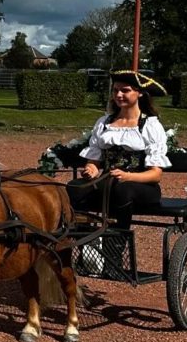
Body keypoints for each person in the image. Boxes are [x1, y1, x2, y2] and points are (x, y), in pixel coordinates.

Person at [69, 70, 172, 228]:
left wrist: (127, 176)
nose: (118, 95)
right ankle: (84, 239)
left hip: (141, 186)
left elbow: (156, 175)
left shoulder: (150, 125)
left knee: (122, 190)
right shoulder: (104, 123)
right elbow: (94, 163)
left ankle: (117, 241)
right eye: (115, 90)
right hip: (109, 182)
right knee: (74, 187)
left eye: (125, 90)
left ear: (140, 94)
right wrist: (90, 170)